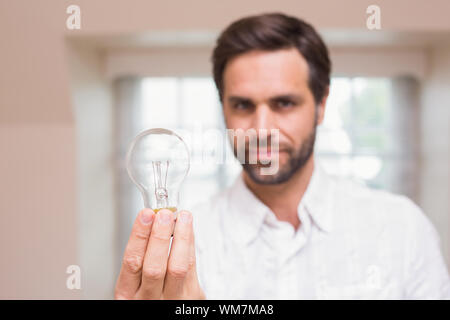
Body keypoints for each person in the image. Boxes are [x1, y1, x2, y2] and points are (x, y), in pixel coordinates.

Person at [114, 12, 450, 300]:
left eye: (284, 103)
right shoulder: (183, 251)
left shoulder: (402, 229)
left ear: (321, 105)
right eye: (243, 105)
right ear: (223, 108)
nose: (262, 129)